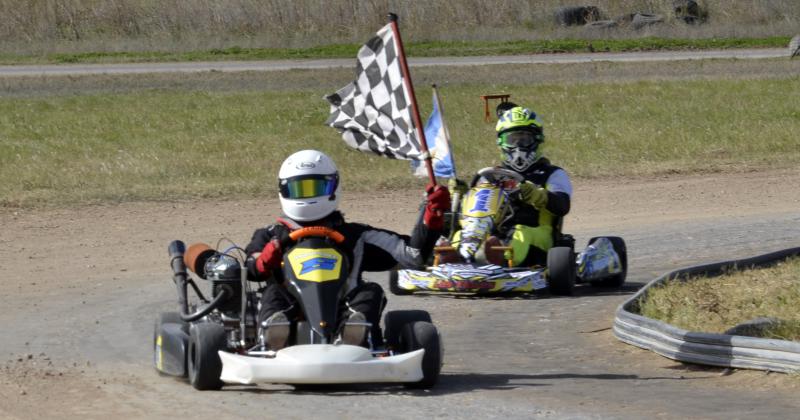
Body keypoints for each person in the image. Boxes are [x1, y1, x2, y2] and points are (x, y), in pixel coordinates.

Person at [244, 149, 450, 350]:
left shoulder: (356, 236)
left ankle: (351, 332)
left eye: (317, 187)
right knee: (272, 292)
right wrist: (265, 259)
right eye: (300, 189)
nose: (308, 196)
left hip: (342, 307)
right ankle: (275, 333)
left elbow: (413, 256)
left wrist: (431, 220)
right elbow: (252, 269)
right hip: (292, 309)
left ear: (333, 187)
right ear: (285, 191)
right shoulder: (270, 236)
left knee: (371, 291)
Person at [452, 105, 572, 266]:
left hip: (538, 234)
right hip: (495, 234)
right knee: (462, 234)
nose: (518, 146)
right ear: (501, 142)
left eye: (525, 140)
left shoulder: (552, 173)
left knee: (520, 233)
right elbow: (478, 210)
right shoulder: (491, 175)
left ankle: (499, 259)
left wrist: (538, 195)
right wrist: (462, 196)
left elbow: (562, 205)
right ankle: (456, 257)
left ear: (537, 141)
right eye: (512, 139)